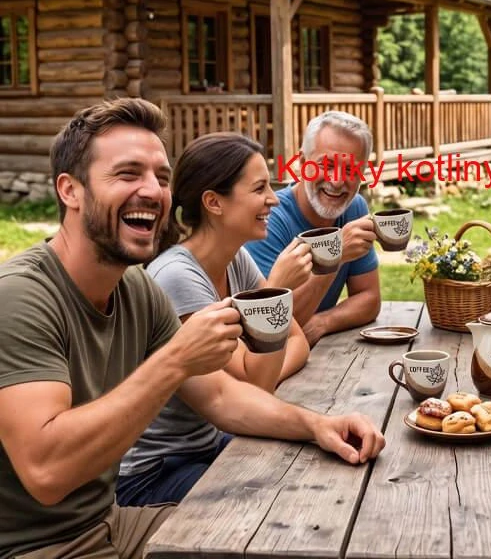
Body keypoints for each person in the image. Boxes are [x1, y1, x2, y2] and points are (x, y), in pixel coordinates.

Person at [0, 99, 385, 559]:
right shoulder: (21, 296)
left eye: (161, 178)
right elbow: (47, 472)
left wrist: (319, 425)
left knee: (285, 525)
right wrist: (176, 358)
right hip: (39, 548)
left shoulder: (137, 291)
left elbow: (222, 397)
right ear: (71, 191)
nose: (152, 191)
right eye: (127, 174)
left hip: (110, 524)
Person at [117, 132, 313, 506]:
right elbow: (259, 382)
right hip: (155, 472)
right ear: (214, 202)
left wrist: (261, 368)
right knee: (278, 498)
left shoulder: (235, 258)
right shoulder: (177, 277)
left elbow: (297, 341)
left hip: (206, 445)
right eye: (259, 188)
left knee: (304, 467)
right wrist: (275, 292)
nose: (273, 198)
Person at [246, 111, 380, 347]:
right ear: (301, 163)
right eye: (326, 165)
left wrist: (323, 322)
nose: (337, 181)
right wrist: (335, 255)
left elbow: (369, 299)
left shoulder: (354, 208)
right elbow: (271, 325)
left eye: (350, 170)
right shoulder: (269, 219)